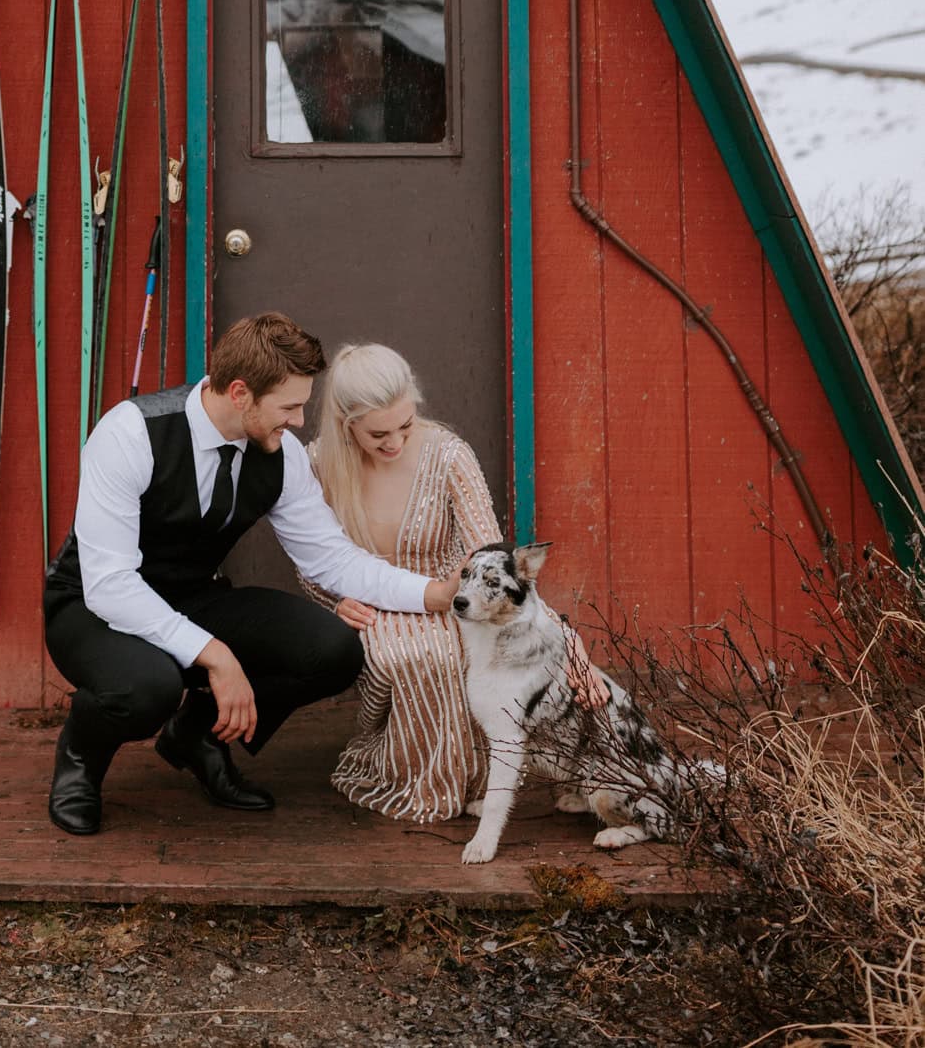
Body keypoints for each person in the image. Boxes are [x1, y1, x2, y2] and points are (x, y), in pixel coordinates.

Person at [42, 312, 453, 836]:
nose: (300, 421)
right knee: (149, 688)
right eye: (290, 407)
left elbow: (332, 559)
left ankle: (197, 735)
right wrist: (216, 656)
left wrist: (435, 593)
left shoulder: (279, 455)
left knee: (333, 651)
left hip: (192, 597)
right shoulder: (130, 433)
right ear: (240, 393)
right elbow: (110, 586)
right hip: (91, 608)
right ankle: (81, 754)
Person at [306, 342, 606, 825]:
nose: (395, 443)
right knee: (413, 656)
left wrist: (567, 641)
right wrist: (334, 598)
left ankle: (480, 779)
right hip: (373, 603)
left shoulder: (448, 455)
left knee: (457, 651)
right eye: (378, 433)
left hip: (453, 594)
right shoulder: (316, 463)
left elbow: (494, 560)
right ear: (346, 423)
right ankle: (415, 777)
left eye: (406, 425)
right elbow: (311, 556)